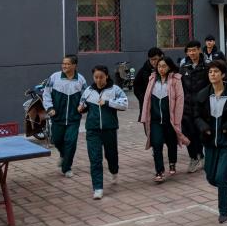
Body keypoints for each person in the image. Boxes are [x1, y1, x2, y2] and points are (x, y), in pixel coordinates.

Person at [194, 59, 227, 223]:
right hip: (210, 142)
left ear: (223, 75)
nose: (212, 74)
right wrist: (204, 127)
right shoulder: (203, 95)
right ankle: (224, 179)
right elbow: (196, 116)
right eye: (210, 72)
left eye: (216, 71)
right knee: (211, 177)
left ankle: (224, 211)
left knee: (221, 177)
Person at [77, 65, 128, 199]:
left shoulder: (115, 89)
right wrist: (81, 108)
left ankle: (114, 171)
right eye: (96, 77)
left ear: (107, 76)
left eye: (101, 77)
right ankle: (98, 188)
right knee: (95, 159)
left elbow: (124, 104)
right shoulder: (88, 90)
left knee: (111, 155)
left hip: (109, 129)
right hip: (92, 130)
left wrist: (107, 102)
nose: (98, 80)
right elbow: (83, 104)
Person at [141, 57, 190, 182]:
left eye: (164, 66)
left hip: (170, 119)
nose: (161, 69)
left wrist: (177, 120)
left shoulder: (175, 80)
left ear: (169, 67)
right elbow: (147, 99)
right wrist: (145, 116)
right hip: (155, 120)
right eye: (159, 66)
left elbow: (180, 100)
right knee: (156, 144)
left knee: (171, 142)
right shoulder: (152, 79)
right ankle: (159, 171)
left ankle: (172, 162)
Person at [43, 54, 87, 178]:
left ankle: (66, 168)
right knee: (56, 140)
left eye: (67, 64)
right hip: (57, 116)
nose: (64, 66)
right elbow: (46, 93)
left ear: (74, 65)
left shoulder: (81, 79)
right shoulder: (54, 77)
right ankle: (63, 155)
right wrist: (49, 108)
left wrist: (82, 106)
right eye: (63, 63)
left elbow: (85, 96)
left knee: (71, 142)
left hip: (74, 118)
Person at [179, 40, 207, 172]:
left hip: (201, 107)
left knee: (200, 133)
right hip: (186, 107)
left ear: (199, 50)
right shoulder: (184, 67)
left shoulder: (207, 66)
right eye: (189, 51)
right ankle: (193, 158)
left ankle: (201, 155)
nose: (192, 53)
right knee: (188, 133)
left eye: (194, 50)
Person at [133, 47, 163, 112]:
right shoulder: (144, 70)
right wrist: (144, 99)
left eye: (155, 59)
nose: (153, 62)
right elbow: (136, 87)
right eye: (151, 60)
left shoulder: (168, 69)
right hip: (148, 105)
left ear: (161, 57)